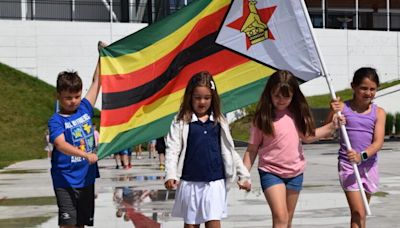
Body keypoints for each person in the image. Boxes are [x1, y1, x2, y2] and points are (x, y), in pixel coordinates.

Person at [242, 70, 343, 228]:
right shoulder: (262, 118)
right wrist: (244, 174)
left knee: (287, 221)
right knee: (281, 218)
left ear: (294, 95)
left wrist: (333, 125)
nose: (281, 100)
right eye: (277, 95)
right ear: (269, 93)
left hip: (295, 173)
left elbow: (308, 137)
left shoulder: (297, 113)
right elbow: (252, 149)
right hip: (271, 172)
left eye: (286, 96)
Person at [164, 71, 251, 228]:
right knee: (191, 225)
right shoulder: (181, 121)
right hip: (190, 181)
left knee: (213, 222)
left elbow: (230, 152)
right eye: (197, 98)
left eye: (206, 98)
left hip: (214, 182)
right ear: (190, 97)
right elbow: (172, 149)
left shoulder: (219, 121)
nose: (202, 102)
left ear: (213, 98)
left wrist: (243, 175)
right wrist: (170, 174)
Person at [48, 41, 105, 227]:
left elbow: (97, 81)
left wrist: (102, 55)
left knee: (80, 224)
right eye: (68, 97)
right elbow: (60, 145)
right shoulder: (56, 120)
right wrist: (85, 154)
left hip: (86, 178)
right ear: (59, 96)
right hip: (65, 180)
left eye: (77, 96)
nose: (73, 101)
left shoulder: (85, 108)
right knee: (68, 224)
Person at [328, 67, 386, 228]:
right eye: (364, 88)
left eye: (373, 89)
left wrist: (362, 156)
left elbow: (378, 142)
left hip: (369, 166)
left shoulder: (379, 113)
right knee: (358, 211)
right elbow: (327, 129)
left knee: (361, 215)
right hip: (348, 166)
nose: (368, 93)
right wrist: (333, 111)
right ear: (353, 86)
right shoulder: (342, 108)